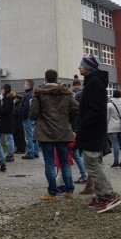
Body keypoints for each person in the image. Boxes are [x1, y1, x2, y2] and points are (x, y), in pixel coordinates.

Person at [75, 55, 121, 213]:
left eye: (81, 65)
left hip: (92, 132)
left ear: (88, 68)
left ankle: (109, 195)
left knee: (93, 164)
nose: (79, 67)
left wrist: (82, 124)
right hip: (93, 131)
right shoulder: (93, 82)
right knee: (93, 164)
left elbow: (95, 110)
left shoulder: (94, 83)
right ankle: (101, 197)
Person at [31, 69, 78, 201]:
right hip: (63, 131)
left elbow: (33, 112)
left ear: (45, 78)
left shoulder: (39, 93)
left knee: (50, 163)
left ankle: (52, 193)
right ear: (57, 79)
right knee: (64, 162)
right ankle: (69, 191)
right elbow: (75, 108)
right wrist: (67, 118)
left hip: (45, 132)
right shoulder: (66, 93)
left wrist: (38, 118)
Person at [107, 90, 121, 167]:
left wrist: (106, 127)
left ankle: (116, 161)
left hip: (112, 126)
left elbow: (107, 117)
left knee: (115, 144)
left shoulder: (109, 105)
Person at [0, 84, 17, 162]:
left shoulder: (6, 99)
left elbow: (5, 110)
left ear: (5, 90)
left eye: (2, 89)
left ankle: (10, 154)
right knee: (9, 138)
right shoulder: (9, 98)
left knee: (9, 138)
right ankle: (10, 154)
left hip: (7, 121)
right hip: (9, 121)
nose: (1, 90)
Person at [19, 80, 36, 158]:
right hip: (32, 117)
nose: (24, 85)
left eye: (25, 84)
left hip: (27, 117)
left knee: (29, 135)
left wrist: (22, 115)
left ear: (29, 85)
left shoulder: (27, 95)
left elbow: (26, 107)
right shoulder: (32, 94)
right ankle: (35, 152)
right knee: (33, 134)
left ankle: (30, 152)